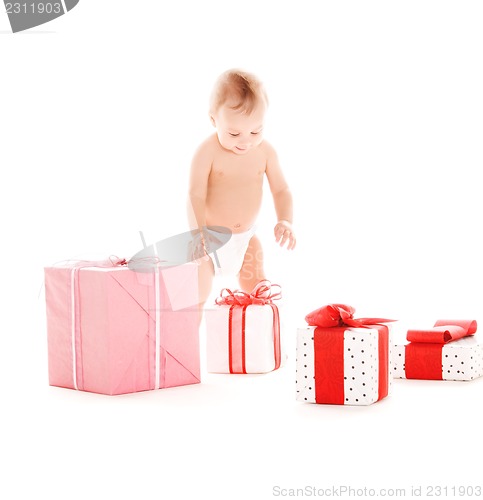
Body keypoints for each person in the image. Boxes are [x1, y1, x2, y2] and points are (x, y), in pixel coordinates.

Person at [187, 68, 296, 307]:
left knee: (258, 293)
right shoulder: (207, 152)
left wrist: (285, 220)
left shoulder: (265, 152)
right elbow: (195, 194)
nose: (246, 141)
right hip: (209, 242)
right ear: (214, 120)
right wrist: (196, 233)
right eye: (234, 133)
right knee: (196, 298)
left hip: (245, 241)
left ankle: (257, 337)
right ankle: (187, 342)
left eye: (256, 130)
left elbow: (281, 190)